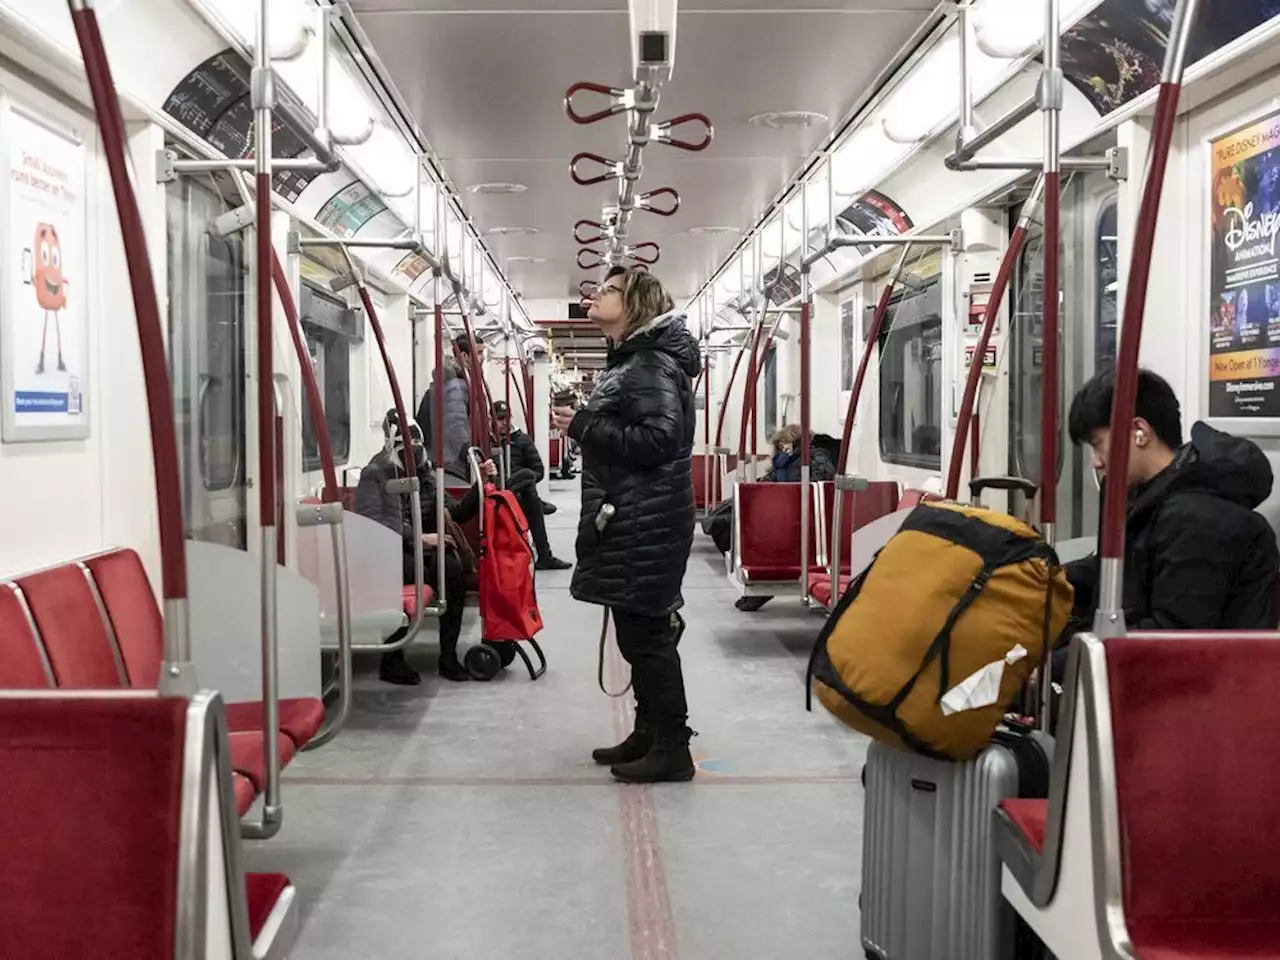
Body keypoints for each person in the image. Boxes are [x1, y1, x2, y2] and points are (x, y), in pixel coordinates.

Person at [552, 267, 701, 784]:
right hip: (636, 514)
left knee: (648, 637)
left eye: (610, 290)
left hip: (647, 518)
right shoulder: (634, 361)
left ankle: (673, 748)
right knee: (637, 634)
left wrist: (585, 425)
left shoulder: (650, 364)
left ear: (636, 305)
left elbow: (659, 440)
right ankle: (648, 732)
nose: (596, 294)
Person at [1062, 367, 1279, 637]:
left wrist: (1060, 661)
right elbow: (1122, 570)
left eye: (1098, 444)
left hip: (1209, 675)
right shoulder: (1147, 496)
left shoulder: (1197, 519)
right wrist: (1051, 580)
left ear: (1139, 431)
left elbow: (1172, 636)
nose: (1095, 461)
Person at [355, 409, 497, 685]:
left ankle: (448, 656)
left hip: (421, 548)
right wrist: (418, 538)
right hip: (389, 551)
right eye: (406, 447)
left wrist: (480, 483)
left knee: (452, 570)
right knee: (408, 569)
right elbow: (372, 522)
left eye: (417, 447)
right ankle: (392, 660)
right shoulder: (374, 474)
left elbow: (453, 513)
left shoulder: (426, 474)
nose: (413, 454)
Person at [491, 400, 572, 571]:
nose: (504, 422)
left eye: (506, 418)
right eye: (499, 419)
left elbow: (538, 470)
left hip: (520, 492)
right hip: (497, 488)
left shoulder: (523, 440)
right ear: (491, 419)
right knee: (532, 498)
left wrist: (524, 483)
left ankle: (545, 556)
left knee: (529, 488)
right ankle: (545, 556)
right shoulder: (486, 440)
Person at [416, 334, 480, 482]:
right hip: (452, 463)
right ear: (464, 356)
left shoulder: (445, 385)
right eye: (479, 353)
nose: (482, 358)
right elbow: (456, 425)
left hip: (441, 460)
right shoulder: (456, 387)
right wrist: (472, 455)